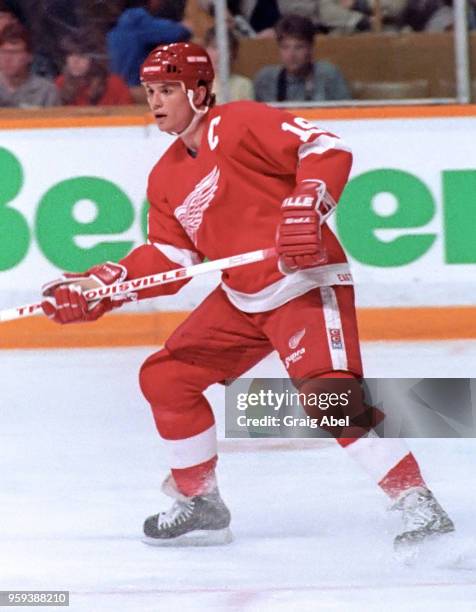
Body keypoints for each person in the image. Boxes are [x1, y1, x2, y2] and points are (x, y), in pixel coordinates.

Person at [41, 41, 454, 548]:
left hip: (303, 281)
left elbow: (325, 147)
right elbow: (172, 260)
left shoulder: (238, 123)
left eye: (168, 89)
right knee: (167, 378)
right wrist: (102, 284)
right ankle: (201, 500)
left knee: (329, 398)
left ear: (199, 90)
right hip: (243, 297)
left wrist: (309, 200)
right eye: (150, 91)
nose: (156, 101)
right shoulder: (166, 175)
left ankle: (416, 501)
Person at [254, 15, 351, 103]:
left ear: (310, 48)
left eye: (299, 47)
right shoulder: (266, 79)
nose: (291, 54)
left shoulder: (328, 75)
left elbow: (347, 114)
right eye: (285, 47)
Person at [106, 0, 192, 88]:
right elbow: (177, 32)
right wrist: (185, 27)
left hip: (118, 89)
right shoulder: (137, 19)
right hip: (134, 90)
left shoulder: (119, 25)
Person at [56, 35, 133, 106]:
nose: (75, 61)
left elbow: (129, 117)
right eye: (71, 55)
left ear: (95, 61)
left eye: (82, 56)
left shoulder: (115, 84)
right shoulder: (60, 83)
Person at [0, 22, 59, 107]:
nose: (7, 59)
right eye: (3, 52)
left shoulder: (46, 91)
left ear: (29, 56)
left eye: (15, 53)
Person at [204, 26, 254, 103]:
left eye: (225, 48)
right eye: (214, 47)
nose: (219, 54)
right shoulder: (196, 85)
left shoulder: (243, 85)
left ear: (233, 54)